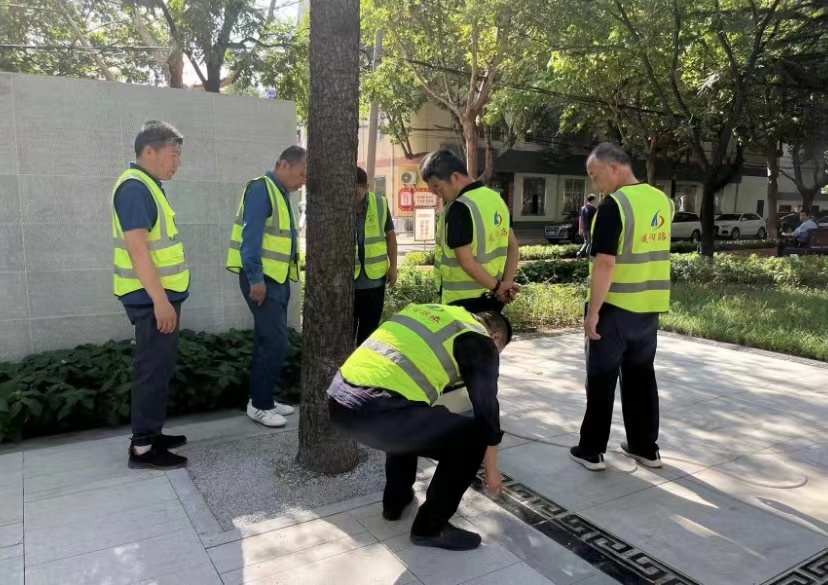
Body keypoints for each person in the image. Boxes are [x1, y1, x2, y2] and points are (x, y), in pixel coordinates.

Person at [329, 303, 511, 551]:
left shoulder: (431, 313)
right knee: (471, 439)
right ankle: (430, 528)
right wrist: (492, 470)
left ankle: (396, 502)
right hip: (378, 412)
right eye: (498, 351)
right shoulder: (479, 339)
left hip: (339, 401)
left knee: (416, 419)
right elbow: (487, 413)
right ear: (496, 337)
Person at [571, 142, 674, 471]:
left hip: (614, 309)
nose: (594, 183)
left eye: (594, 174)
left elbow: (605, 263)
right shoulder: (663, 201)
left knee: (601, 378)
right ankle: (645, 448)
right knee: (641, 378)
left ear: (613, 167)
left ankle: (591, 451)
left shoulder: (614, 207)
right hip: (648, 309)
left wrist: (593, 313)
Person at [113, 120, 189, 470]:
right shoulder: (135, 188)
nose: (178, 162)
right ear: (149, 151)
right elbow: (138, 250)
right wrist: (160, 301)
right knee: (152, 370)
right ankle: (143, 447)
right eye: (174, 154)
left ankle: (152, 434)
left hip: (157, 297)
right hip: (150, 300)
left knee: (159, 368)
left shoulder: (148, 186)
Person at [226, 146, 306, 427]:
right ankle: (259, 405)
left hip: (277, 279)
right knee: (275, 341)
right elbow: (250, 239)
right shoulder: (262, 189)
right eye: (301, 174)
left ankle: (263, 400)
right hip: (263, 280)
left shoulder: (281, 193)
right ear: (284, 165)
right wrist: (256, 279)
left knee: (267, 340)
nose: (303, 181)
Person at [420, 151, 520, 313]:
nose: (437, 194)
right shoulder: (496, 199)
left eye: (438, 187)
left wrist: (498, 287)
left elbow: (466, 262)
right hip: (493, 298)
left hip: (463, 301)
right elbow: (513, 247)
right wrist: (505, 286)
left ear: (455, 177)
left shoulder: (459, 208)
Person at [354, 167, 398, 345]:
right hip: (348, 282)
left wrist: (393, 267)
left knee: (369, 331)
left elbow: (391, 237)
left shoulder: (379, 204)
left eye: (357, 191)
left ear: (366, 187)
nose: (353, 196)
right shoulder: (338, 206)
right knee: (346, 331)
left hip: (374, 281)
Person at [576, 194, 598, 258]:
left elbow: (580, 219)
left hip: (584, 229)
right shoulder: (594, 209)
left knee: (586, 242)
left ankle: (579, 253)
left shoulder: (582, 208)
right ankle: (587, 255)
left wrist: (580, 229)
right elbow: (596, 219)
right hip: (591, 228)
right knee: (590, 243)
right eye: (595, 200)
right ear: (593, 200)